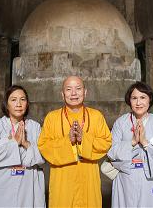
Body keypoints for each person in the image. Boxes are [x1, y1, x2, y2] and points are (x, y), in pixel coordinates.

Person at [38, 76, 112, 207]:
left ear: (85, 92)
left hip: (88, 178)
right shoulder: (52, 117)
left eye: (78, 89)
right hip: (62, 180)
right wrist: (68, 142)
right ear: (62, 94)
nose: (73, 93)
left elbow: (106, 142)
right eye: (68, 89)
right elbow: (44, 146)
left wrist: (85, 139)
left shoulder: (96, 116)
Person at [0, 85, 45, 207]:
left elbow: (43, 157)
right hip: (0, 184)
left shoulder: (35, 127)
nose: (18, 104)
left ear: (27, 104)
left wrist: (26, 144)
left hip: (28, 185)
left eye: (23, 99)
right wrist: (14, 144)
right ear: (7, 105)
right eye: (13, 99)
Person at [108, 81, 153, 208]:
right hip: (126, 178)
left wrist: (145, 143)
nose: (138, 103)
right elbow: (112, 151)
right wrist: (132, 142)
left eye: (143, 97)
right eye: (134, 98)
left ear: (149, 99)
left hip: (151, 178)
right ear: (129, 100)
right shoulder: (121, 123)